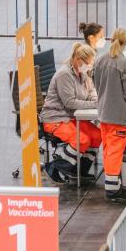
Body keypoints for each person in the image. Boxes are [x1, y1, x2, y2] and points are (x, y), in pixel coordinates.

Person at [38, 43, 101, 179]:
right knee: (81, 140)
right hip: (55, 118)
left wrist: (95, 100)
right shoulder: (64, 75)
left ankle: (77, 170)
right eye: (88, 63)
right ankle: (54, 167)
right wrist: (94, 104)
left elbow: (91, 90)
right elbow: (70, 103)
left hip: (71, 117)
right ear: (78, 60)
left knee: (97, 135)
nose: (90, 66)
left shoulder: (82, 73)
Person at [94, 28, 126, 203]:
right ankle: (112, 190)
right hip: (118, 115)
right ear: (125, 42)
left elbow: (96, 84)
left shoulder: (99, 60)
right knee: (115, 151)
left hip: (103, 113)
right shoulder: (123, 63)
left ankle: (113, 184)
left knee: (107, 150)